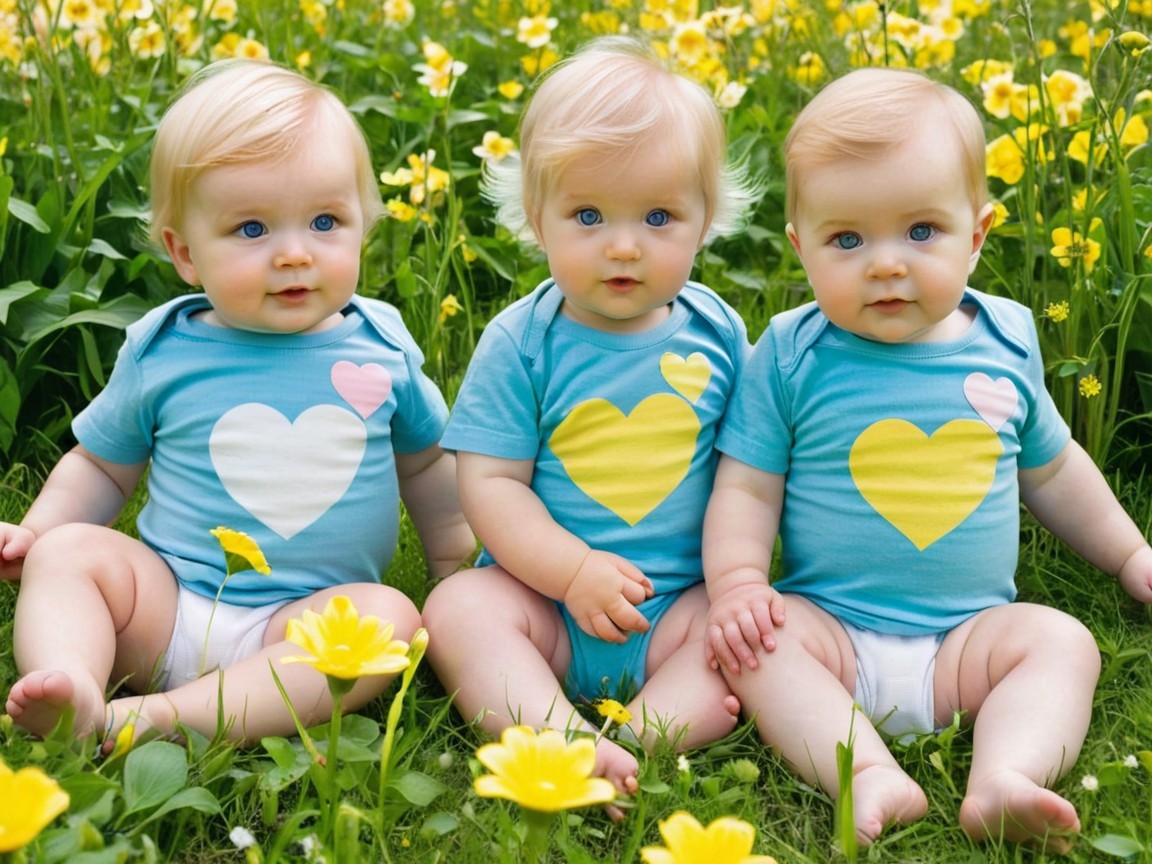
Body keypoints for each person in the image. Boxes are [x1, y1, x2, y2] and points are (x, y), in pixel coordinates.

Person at [703, 66, 1152, 852]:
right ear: (801, 248)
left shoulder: (1006, 341)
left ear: (976, 235)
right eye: (847, 239)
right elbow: (745, 485)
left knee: (1060, 642)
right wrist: (739, 584)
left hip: (967, 642)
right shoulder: (791, 354)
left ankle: (1003, 778)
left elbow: (1053, 469)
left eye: (920, 232)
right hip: (833, 635)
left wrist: (1130, 554)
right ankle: (867, 769)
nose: (886, 263)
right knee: (756, 650)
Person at [0, 59, 473, 747]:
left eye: (324, 222)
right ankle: (71, 680)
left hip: (305, 626)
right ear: (185, 253)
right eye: (252, 230)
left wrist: (454, 565)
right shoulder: (162, 350)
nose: (293, 255)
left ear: (362, 227)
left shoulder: (381, 348)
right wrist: (39, 535)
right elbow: (101, 469)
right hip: (165, 607)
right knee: (70, 556)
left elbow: (428, 467)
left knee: (391, 618)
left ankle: (150, 719)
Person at [422, 36, 759, 804]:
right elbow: (491, 483)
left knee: (740, 631)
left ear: (706, 221)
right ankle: (553, 733)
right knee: (457, 610)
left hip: (673, 603)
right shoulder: (523, 341)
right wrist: (569, 572)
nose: (623, 245)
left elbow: (751, 468)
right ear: (536, 221)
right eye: (587, 215)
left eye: (660, 216)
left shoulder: (718, 335)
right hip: (541, 599)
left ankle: (634, 736)